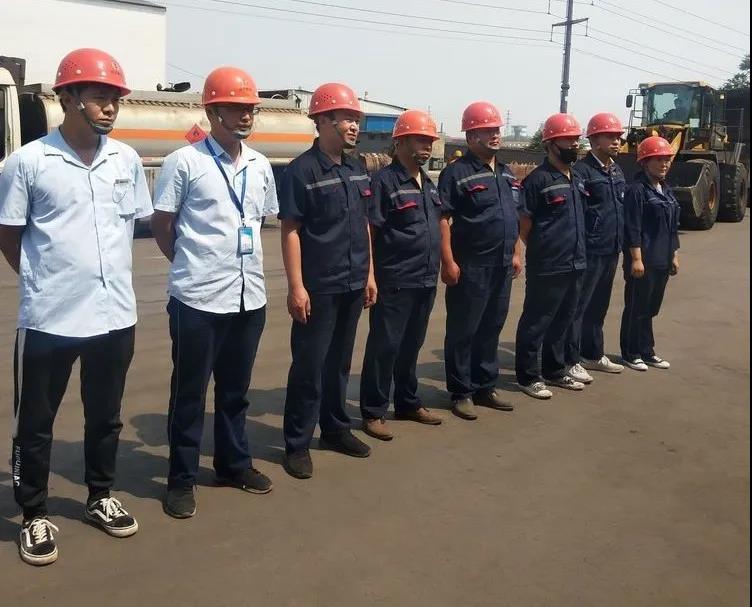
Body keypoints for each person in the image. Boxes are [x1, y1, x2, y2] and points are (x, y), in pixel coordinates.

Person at [0, 48, 151, 565]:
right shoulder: (28, 162)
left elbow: (131, 226)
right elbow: (8, 234)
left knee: (105, 416)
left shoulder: (126, 160)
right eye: (99, 96)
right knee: (35, 422)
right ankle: (34, 513)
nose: (110, 107)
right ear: (67, 98)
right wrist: (41, 281)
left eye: (115, 99)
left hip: (115, 315)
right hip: (51, 318)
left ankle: (100, 495)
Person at [151, 67, 277, 518]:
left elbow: (258, 222)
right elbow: (163, 224)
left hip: (249, 297)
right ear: (212, 111)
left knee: (235, 391)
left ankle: (232, 464)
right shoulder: (184, 162)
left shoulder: (260, 166)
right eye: (236, 108)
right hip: (197, 301)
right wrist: (190, 264)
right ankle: (181, 479)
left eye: (250, 109)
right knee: (189, 395)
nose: (246, 116)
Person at [279, 82, 377, 479]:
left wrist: (369, 274)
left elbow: (365, 223)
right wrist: (296, 287)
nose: (354, 126)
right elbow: (290, 230)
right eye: (347, 119)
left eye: (356, 119)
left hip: (353, 282)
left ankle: (335, 429)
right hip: (319, 286)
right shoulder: (301, 171)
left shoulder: (357, 168)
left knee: (339, 363)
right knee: (309, 366)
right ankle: (297, 444)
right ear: (322, 121)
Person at [359, 110, 443, 441]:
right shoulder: (384, 182)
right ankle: (373, 411)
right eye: (420, 140)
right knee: (385, 346)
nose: (427, 146)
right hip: (395, 279)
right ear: (401, 142)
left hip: (425, 279)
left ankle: (407, 402)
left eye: (430, 141)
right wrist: (370, 275)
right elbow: (370, 232)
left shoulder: (428, 183)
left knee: (411, 345)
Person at [438, 101, 522, 420]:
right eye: (488, 130)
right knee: (464, 330)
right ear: (471, 136)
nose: (495, 135)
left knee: (491, 326)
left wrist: (516, 252)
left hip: (501, 264)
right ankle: (461, 392)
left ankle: (485, 386)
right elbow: (443, 219)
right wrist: (448, 261)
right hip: (471, 265)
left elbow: (513, 215)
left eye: (496, 129)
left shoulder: (506, 172)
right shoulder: (456, 174)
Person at [515, 113, 587, 400]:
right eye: (568, 140)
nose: (574, 145)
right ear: (551, 144)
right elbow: (525, 225)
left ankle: (555, 370)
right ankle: (528, 376)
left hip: (576, 261)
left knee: (563, 320)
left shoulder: (576, 177)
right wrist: (544, 248)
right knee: (537, 321)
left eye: (576, 140)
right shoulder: (538, 180)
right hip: (548, 264)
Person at [565, 113, 627, 380]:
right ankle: (570, 359)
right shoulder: (582, 171)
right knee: (578, 307)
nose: (617, 141)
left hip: (611, 248)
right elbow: (577, 212)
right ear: (593, 140)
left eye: (618, 137)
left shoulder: (616, 170)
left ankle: (592, 354)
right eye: (610, 136)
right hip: (589, 249)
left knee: (599, 306)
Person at [620, 136, 680, 371]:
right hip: (643, 259)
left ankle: (647, 351)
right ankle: (630, 352)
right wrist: (636, 258)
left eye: (667, 160)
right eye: (658, 160)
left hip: (662, 258)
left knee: (650, 308)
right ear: (644, 162)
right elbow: (632, 227)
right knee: (637, 307)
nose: (664, 164)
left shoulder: (666, 190)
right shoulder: (636, 191)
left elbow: (672, 226)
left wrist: (674, 254)